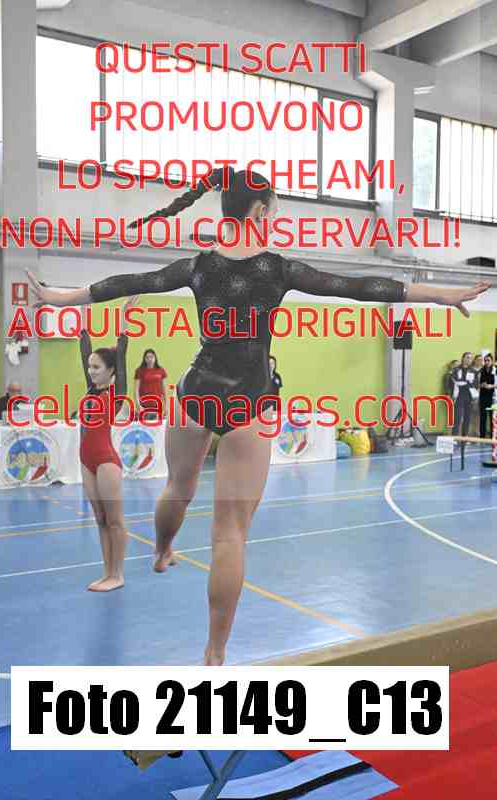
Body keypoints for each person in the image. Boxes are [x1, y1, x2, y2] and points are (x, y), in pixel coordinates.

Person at [27, 166, 490, 664]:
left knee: (178, 487)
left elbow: (129, 282)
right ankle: (214, 652)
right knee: (229, 533)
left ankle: (161, 549)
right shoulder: (278, 269)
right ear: (260, 211)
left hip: (196, 393)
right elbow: (357, 286)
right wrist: (439, 294)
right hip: (249, 403)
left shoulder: (197, 266)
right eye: (274, 211)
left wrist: (58, 297)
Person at [78, 296, 138, 592]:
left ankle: (118, 574)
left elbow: (122, 352)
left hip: (105, 459)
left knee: (114, 520)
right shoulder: (91, 389)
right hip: (86, 459)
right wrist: (83, 312)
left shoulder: (117, 393)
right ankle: (107, 573)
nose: (91, 371)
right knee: (100, 519)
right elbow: (84, 346)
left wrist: (125, 318)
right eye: (89, 367)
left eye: (96, 367)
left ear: (111, 371)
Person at [134, 349, 167, 420]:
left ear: (155, 358)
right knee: (144, 426)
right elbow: (136, 390)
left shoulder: (161, 370)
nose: (149, 359)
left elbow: (164, 389)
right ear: (144, 359)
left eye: (151, 357)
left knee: (158, 426)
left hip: (157, 405)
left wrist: (166, 405)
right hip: (144, 405)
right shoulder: (139, 371)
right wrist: (138, 405)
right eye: (147, 357)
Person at [451, 352, 478, 436]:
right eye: (467, 357)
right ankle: (454, 438)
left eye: (471, 358)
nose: (469, 359)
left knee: (467, 419)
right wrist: (467, 382)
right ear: (463, 358)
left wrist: (466, 383)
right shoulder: (456, 369)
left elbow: (475, 384)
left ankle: (464, 438)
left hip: (469, 397)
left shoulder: (473, 371)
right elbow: (456, 381)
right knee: (458, 419)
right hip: (459, 396)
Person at [478, 353, 496, 439]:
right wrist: (481, 385)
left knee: (492, 417)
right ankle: (482, 437)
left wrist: (492, 386)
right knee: (483, 417)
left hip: (493, 397)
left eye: (488, 360)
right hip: (483, 397)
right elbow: (476, 383)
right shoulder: (481, 371)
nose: (486, 362)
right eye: (485, 360)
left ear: (492, 361)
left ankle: (493, 436)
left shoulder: (495, 370)